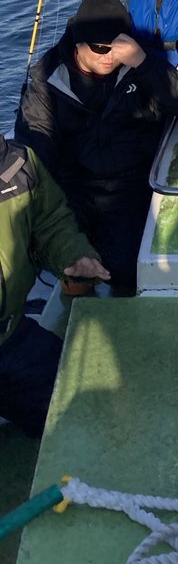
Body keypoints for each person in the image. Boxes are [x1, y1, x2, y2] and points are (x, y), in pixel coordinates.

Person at [15, 0, 178, 293]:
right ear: (78, 44)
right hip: (74, 191)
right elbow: (35, 147)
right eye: (100, 48)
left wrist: (142, 61)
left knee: (124, 269)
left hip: (132, 189)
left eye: (118, 46)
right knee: (66, 258)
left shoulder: (139, 62)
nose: (110, 55)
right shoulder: (48, 81)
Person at [0, 134, 109, 436]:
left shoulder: (19, 163)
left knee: (79, 396)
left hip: (10, 335)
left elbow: (49, 221)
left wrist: (73, 255)